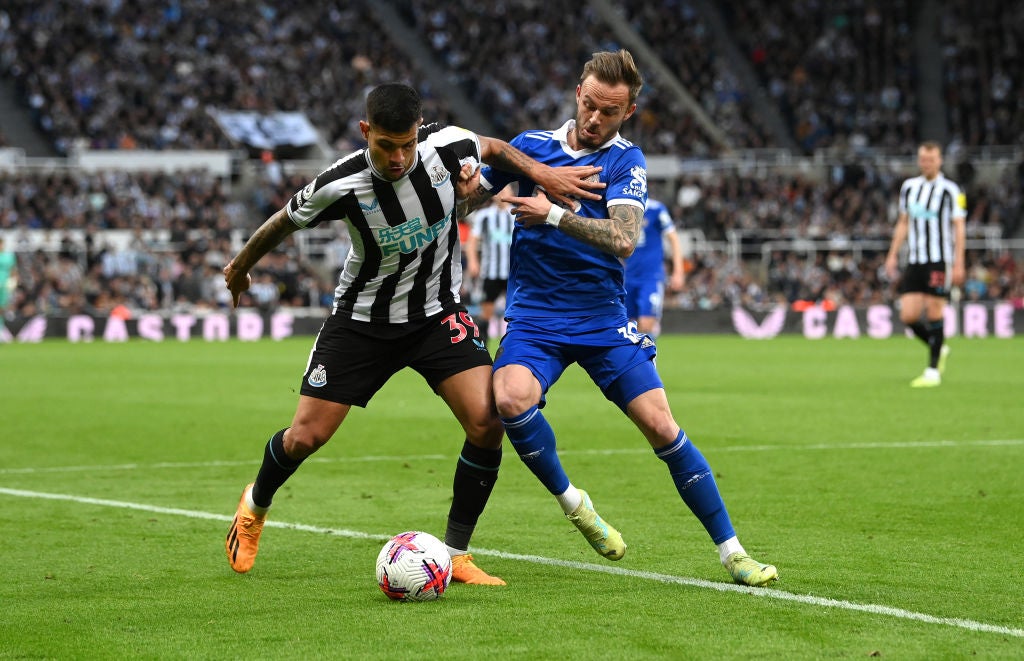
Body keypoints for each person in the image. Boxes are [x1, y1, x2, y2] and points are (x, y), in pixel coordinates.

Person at [223, 82, 604, 585]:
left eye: (407, 144)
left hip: (434, 315)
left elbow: (494, 147)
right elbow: (282, 222)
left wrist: (541, 174)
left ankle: (458, 553)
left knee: (487, 423)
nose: (400, 157)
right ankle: (255, 505)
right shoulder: (341, 184)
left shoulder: (445, 144)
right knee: (305, 437)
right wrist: (240, 266)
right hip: (363, 322)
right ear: (366, 133)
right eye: (387, 145)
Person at [465, 50, 778, 586]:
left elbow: (625, 240)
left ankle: (733, 553)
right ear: (577, 93)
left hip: (602, 320)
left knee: (662, 425)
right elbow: (469, 202)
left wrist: (554, 213)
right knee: (510, 399)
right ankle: (575, 504)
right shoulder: (529, 148)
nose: (593, 119)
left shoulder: (625, 162)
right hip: (535, 318)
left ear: (628, 112)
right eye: (588, 104)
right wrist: (465, 178)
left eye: (608, 112)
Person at [884, 141, 966, 388]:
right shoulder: (909, 188)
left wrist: (960, 261)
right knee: (908, 315)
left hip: (939, 260)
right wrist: (892, 254)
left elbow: (959, 227)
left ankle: (932, 371)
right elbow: (903, 222)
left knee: (934, 311)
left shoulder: (952, 190)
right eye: (923, 159)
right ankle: (938, 346)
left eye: (931, 159)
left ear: (939, 161)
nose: (926, 163)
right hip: (915, 259)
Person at [624, 198, 685, 336]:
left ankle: (649, 357)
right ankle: (637, 357)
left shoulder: (656, 209)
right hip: (628, 277)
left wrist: (678, 272)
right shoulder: (622, 208)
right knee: (629, 326)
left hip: (651, 277)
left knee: (646, 324)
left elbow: (673, 237)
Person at [465, 194, 515, 348]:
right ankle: (482, 348)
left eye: (505, 190)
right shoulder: (484, 215)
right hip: (490, 272)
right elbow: (472, 241)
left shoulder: (516, 213)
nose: (502, 194)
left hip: (513, 273)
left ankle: (514, 346)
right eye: (499, 191)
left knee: (515, 312)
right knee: (486, 313)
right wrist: (473, 262)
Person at [0, 236, 16, 330]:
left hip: (4, 286)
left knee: (2, 307)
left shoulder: (9, 257)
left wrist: (13, 283)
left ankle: (1, 328)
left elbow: (13, 271)